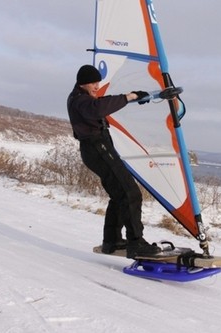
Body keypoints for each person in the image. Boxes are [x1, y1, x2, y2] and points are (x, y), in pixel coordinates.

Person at [67, 64, 161, 259]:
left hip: (97, 149)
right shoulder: (80, 101)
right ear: (83, 83)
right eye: (93, 82)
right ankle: (136, 243)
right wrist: (128, 97)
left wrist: (134, 96)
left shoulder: (81, 98)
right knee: (130, 193)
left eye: (98, 81)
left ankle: (112, 241)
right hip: (97, 149)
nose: (96, 85)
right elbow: (98, 108)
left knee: (119, 195)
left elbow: (103, 102)